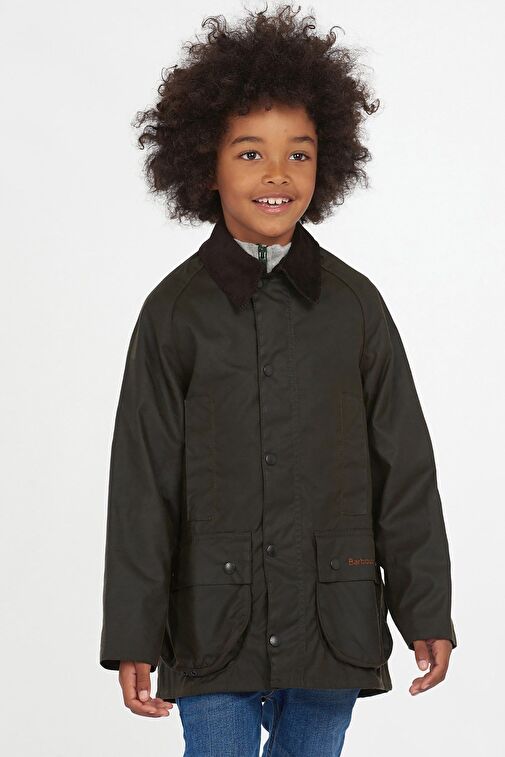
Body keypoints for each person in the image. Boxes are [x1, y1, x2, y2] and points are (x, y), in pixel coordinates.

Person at [99, 4, 457, 755]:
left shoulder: (355, 306)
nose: (276, 175)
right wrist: (134, 631)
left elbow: (404, 469)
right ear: (206, 164)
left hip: (333, 618)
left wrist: (424, 608)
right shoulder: (173, 313)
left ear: (327, 164)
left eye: (299, 154)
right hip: (211, 623)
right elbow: (142, 483)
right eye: (249, 153)